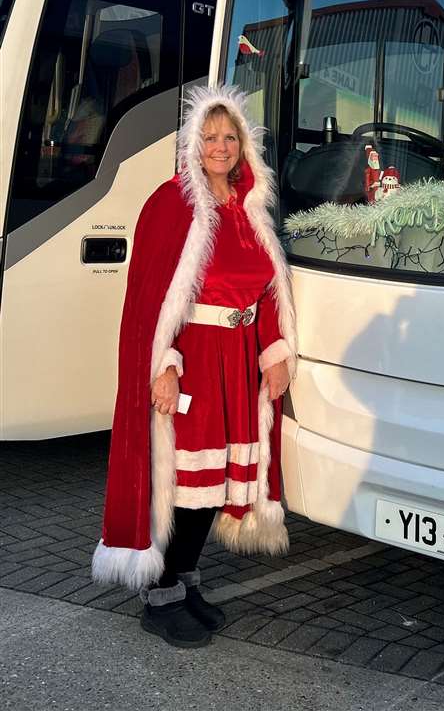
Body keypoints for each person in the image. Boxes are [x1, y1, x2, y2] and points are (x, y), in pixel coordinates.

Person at [91, 85, 298, 649]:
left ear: (245, 145)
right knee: (181, 484)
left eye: (230, 137)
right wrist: (164, 365)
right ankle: (158, 597)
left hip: (237, 365)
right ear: (192, 144)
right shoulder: (170, 203)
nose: (221, 147)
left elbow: (267, 294)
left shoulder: (251, 210)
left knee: (216, 483)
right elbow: (153, 303)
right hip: (193, 364)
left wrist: (275, 352)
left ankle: (184, 581)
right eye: (210, 137)